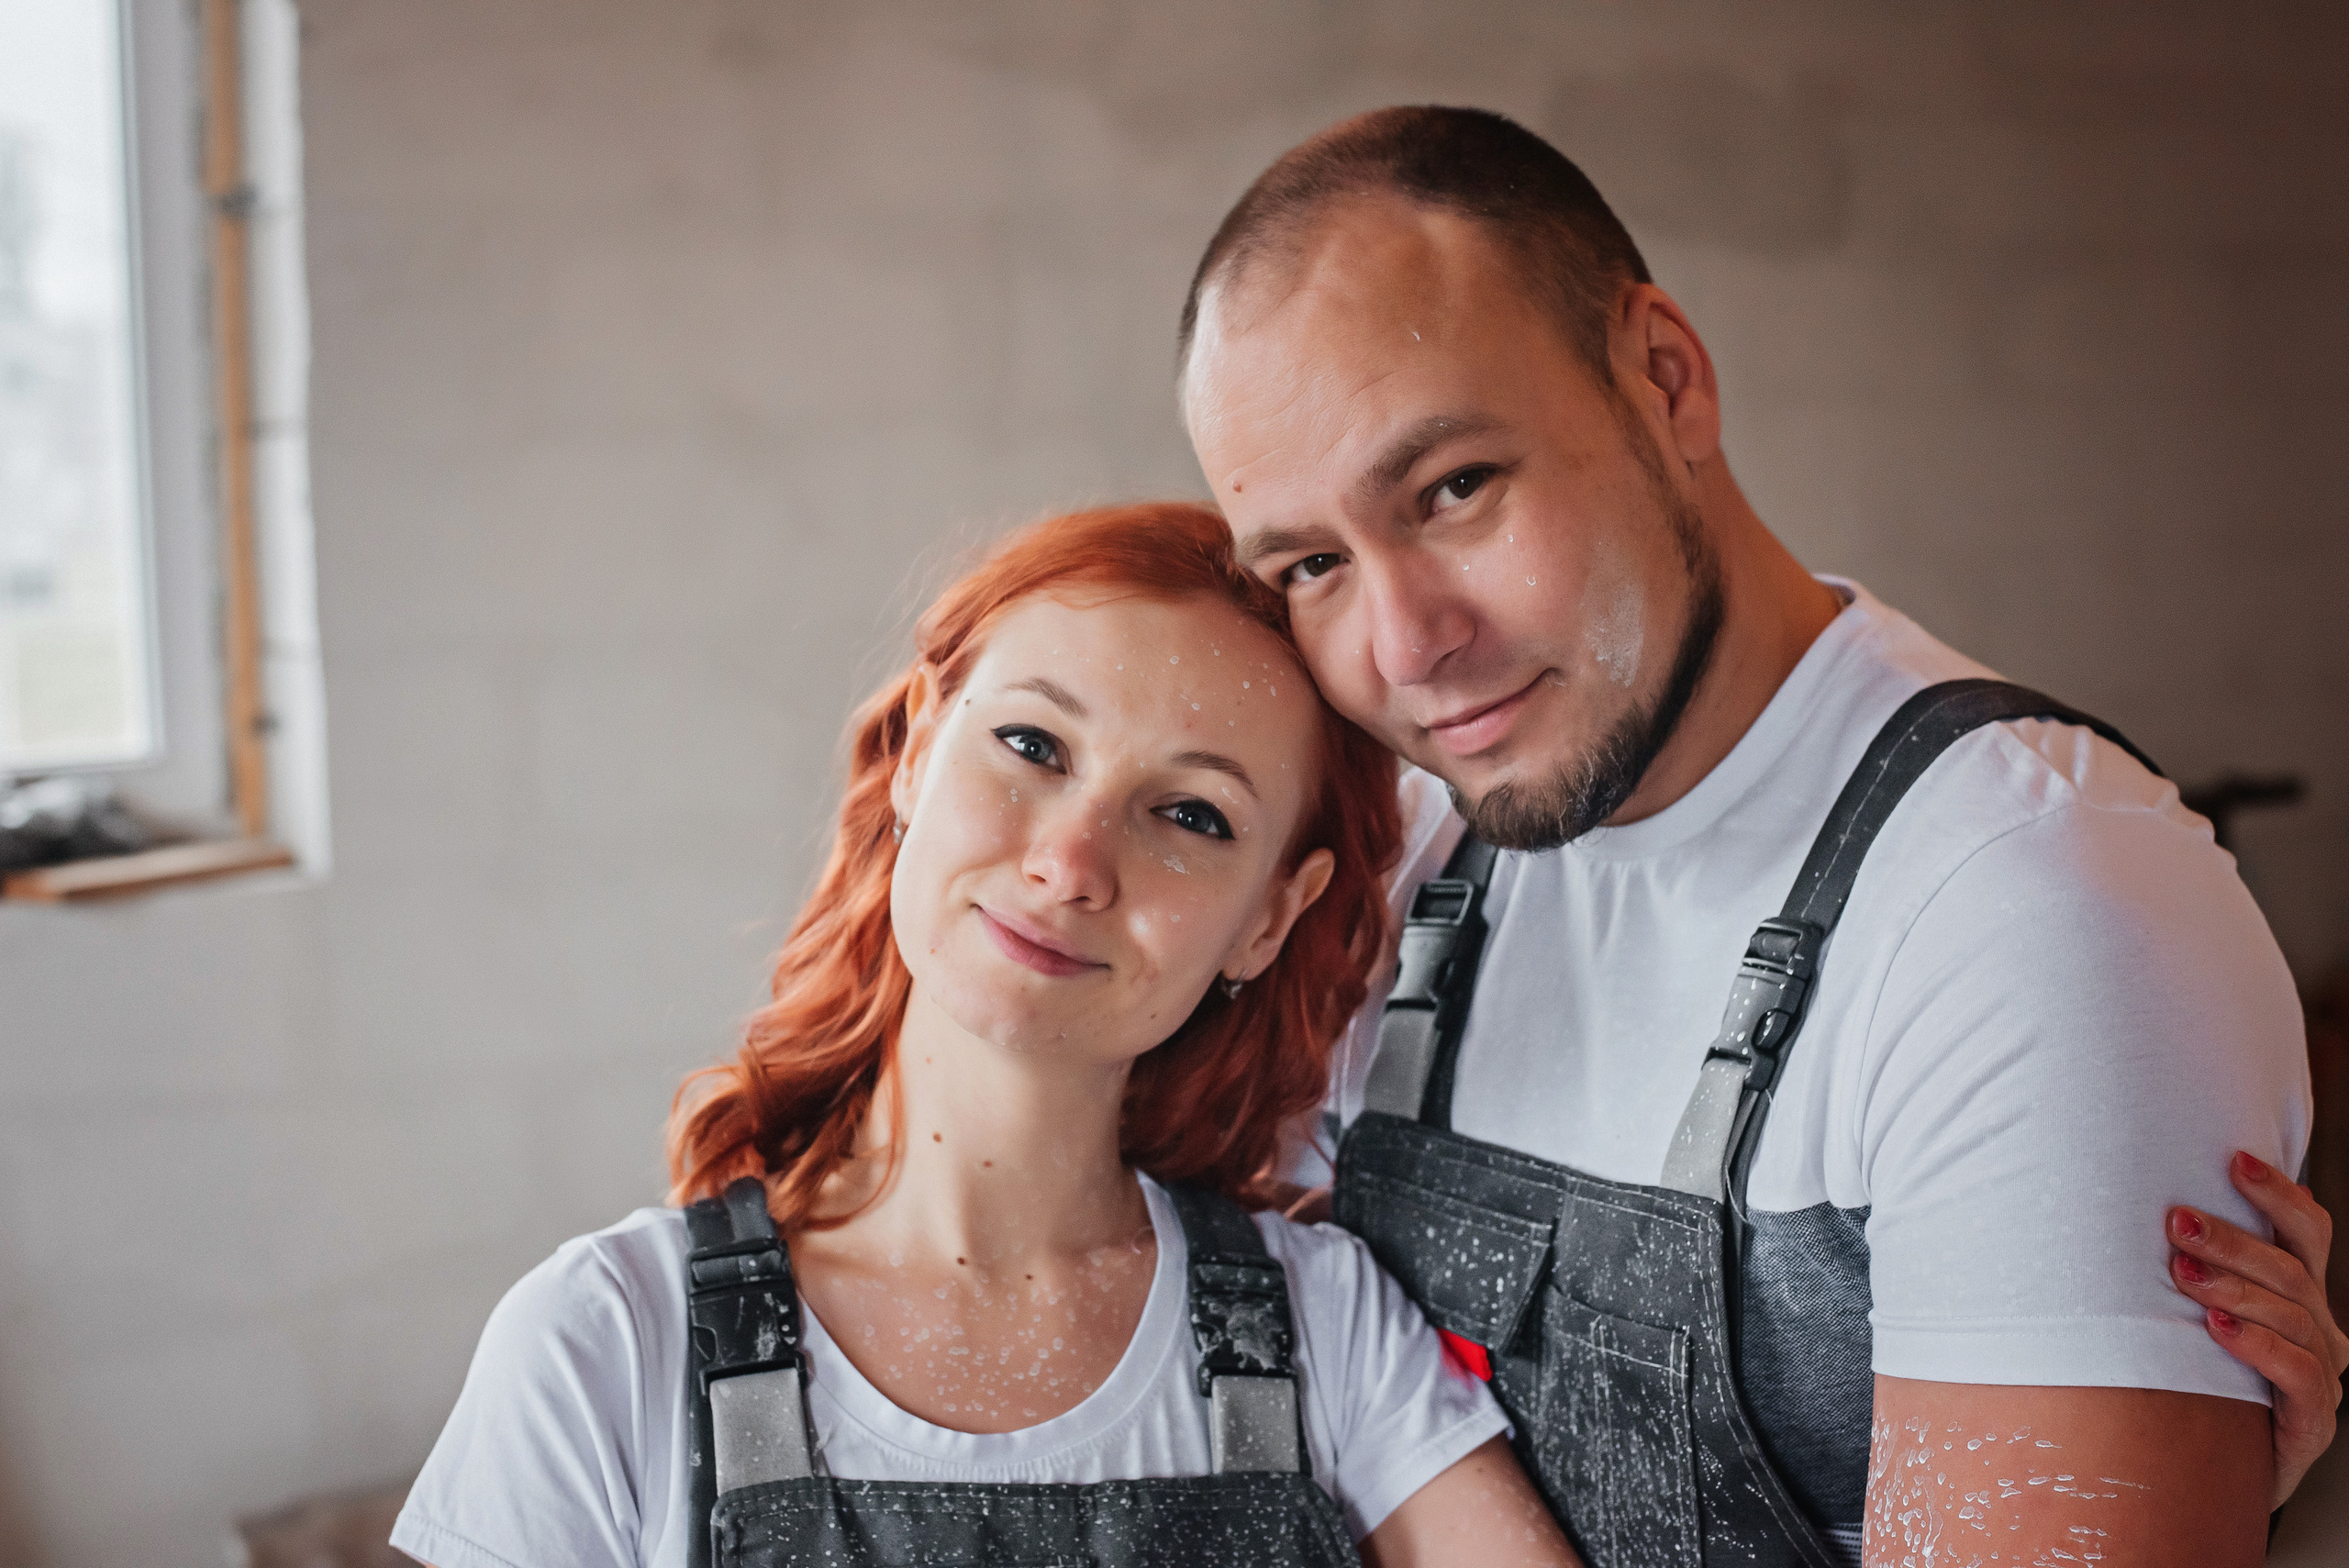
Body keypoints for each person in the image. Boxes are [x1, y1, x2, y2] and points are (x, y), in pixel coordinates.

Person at [1176, 106, 2347, 1565]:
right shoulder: (1390, 868)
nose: (1406, 646)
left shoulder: (2029, 905)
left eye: (1456, 488)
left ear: (1665, 378)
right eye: (1311, 565)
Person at [389, 504, 1586, 1568]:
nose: (1068, 863)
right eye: (1031, 745)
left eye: (1190, 813)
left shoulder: (1327, 1330)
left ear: (1268, 916)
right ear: (920, 748)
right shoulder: (609, 1342)